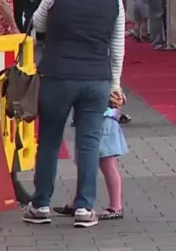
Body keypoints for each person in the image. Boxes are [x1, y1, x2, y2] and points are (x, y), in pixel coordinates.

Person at [22, 0, 126, 228]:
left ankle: (41, 204)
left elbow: (38, 22)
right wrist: (115, 85)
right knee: (89, 143)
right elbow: (117, 45)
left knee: (50, 140)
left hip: (57, 73)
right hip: (96, 78)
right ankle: (84, 207)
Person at [53, 92, 129, 220]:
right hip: (94, 117)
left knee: (106, 163)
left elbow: (116, 89)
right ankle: (79, 201)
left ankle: (116, 206)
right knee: (86, 162)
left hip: (104, 118)